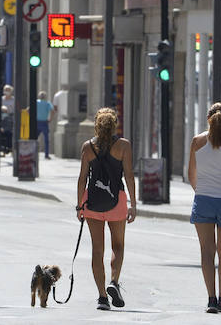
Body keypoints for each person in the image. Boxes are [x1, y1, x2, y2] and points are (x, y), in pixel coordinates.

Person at [77, 106, 138, 311]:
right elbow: (129, 176)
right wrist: (133, 204)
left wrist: (79, 205)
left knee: (97, 249)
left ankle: (102, 297)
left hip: (93, 202)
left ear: (96, 125)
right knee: (118, 246)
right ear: (114, 125)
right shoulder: (123, 146)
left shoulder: (88, 147)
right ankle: (114, 281)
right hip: (117, 201)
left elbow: (82, 179)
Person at [189, 102, 221, 313]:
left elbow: (191, 174)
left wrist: (200, 191)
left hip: (203, 199)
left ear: (207, 119)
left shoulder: (197, 142)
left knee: (206, 251)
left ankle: (210, 299)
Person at [35, 91, 54, 159]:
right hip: (44, 122)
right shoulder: (47, 103)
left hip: (37, 122)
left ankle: (33, 153)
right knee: (46, 140)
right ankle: (46, 154)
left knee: (34, 139)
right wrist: (50, 119)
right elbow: (52, 111)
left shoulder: (36, 102)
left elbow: (29, 110)